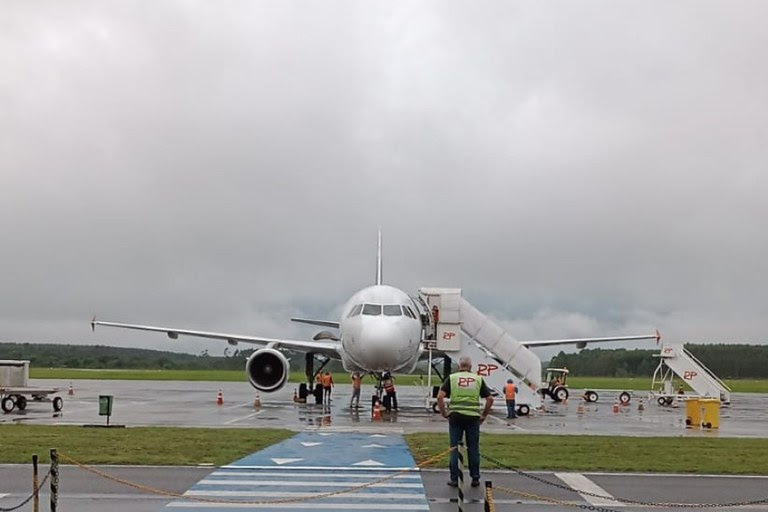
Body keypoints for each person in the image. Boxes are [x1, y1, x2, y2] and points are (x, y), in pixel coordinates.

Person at [437, 356, 494, 488]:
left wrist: (444, 413)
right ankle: (475, 478)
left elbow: (440, 397)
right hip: (473, 418)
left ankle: (454, 479)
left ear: (459, 367)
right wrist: (483, 415)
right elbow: (490, 399)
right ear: (470, 367)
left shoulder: (452, 378)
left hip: (456, 417)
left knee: (454, 448)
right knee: (473, 448)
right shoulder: (478, 379)